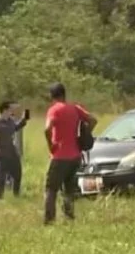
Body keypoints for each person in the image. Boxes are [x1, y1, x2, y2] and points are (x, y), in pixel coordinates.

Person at [44, 82, 97, 225]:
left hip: (59, 156)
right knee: (68, 189)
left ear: (51, 96)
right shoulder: (75, 108)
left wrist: (51, 145)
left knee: (51, 189)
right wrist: (84, 135)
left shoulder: (54, 110)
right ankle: (69, 217)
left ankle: (49, 221)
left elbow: (47, 129)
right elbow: (92, 120)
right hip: (75, 156)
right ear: (64, 94)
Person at [0, 100, 29, 199]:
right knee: (1, 176)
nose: (12, 111)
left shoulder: (10, 121)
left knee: (17, 173)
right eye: (10, 109)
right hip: (1, 152)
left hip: (12, 151)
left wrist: (24, 119)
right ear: (4, 110)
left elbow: (15, 128)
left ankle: (16, 195)